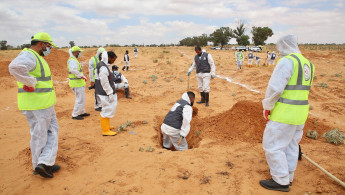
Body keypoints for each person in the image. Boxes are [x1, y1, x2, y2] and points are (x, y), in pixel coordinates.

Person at [260, 35, 315, 192]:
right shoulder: (308, 64)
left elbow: (275, 88)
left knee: (273, 145)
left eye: (279, 48)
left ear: (283, 46)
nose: (278, 51)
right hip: (300, 114)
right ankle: (288, 176)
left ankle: (280, 180)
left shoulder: (287, 61)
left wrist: (267, 106)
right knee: (291, 145)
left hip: (284, 113)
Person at [8, 32, 60, 178]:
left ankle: (41, 164)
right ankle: (43, 163)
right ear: (41, 44)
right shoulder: (30, 55)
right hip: (39, 103)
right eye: (48, 45)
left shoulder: (35, 57)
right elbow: (15, 67)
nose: (49, 49)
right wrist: (30, 82)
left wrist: (29, 81)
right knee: (46, 133)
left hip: (39, 103)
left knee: (42, 134)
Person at [95, 51, 118, 136]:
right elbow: (104, 82)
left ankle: (107, 126)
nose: (114, 62)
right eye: (113, 60)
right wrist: (110, 92)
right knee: (106, 109)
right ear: (109, 58)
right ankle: (105, 130)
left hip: (105, 92)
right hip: (105, 93)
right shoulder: (103, 68)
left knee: (109, 108)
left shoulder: (103, 65)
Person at [67, 46, 90, 120]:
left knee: (81, 99)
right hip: (76, 83)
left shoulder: (73, 59)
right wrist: (81, 75)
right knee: (79, 99)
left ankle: (81, 112)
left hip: (78, 83)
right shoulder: (72, 60)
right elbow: (73, 70)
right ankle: (75, 114)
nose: (79, 53)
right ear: (74, 52)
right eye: (78, 52)